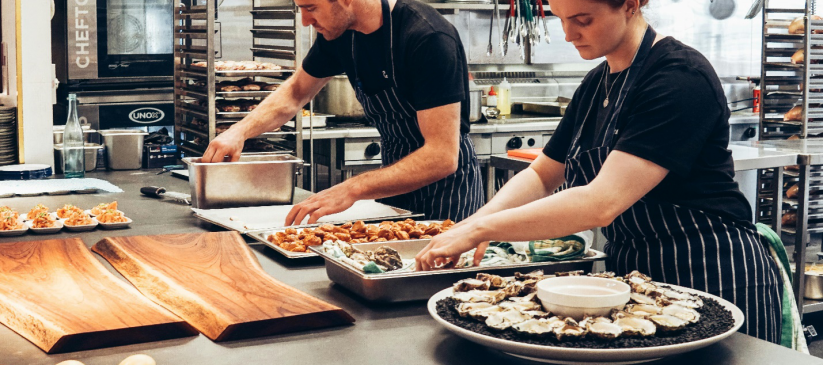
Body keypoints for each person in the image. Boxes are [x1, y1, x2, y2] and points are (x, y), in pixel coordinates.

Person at [415, 0, 783, 344]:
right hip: (635, 279)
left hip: (710, 270)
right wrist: (469, 226)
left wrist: (485, 229)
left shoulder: (679, 77)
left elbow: (601, 202)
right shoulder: (597, 83)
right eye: (560, 18)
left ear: (630, 4)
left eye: (582, 20)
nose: (568, 34)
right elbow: (543, 174)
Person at [201, 0, 484, 225]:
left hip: (447, 194)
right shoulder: (341, 34)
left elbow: (441, 157)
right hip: (392, 186)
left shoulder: (427, 37)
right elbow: (295, 92)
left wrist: (351, 189)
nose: (305, 21)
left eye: (311, 8)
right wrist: (239, 131)